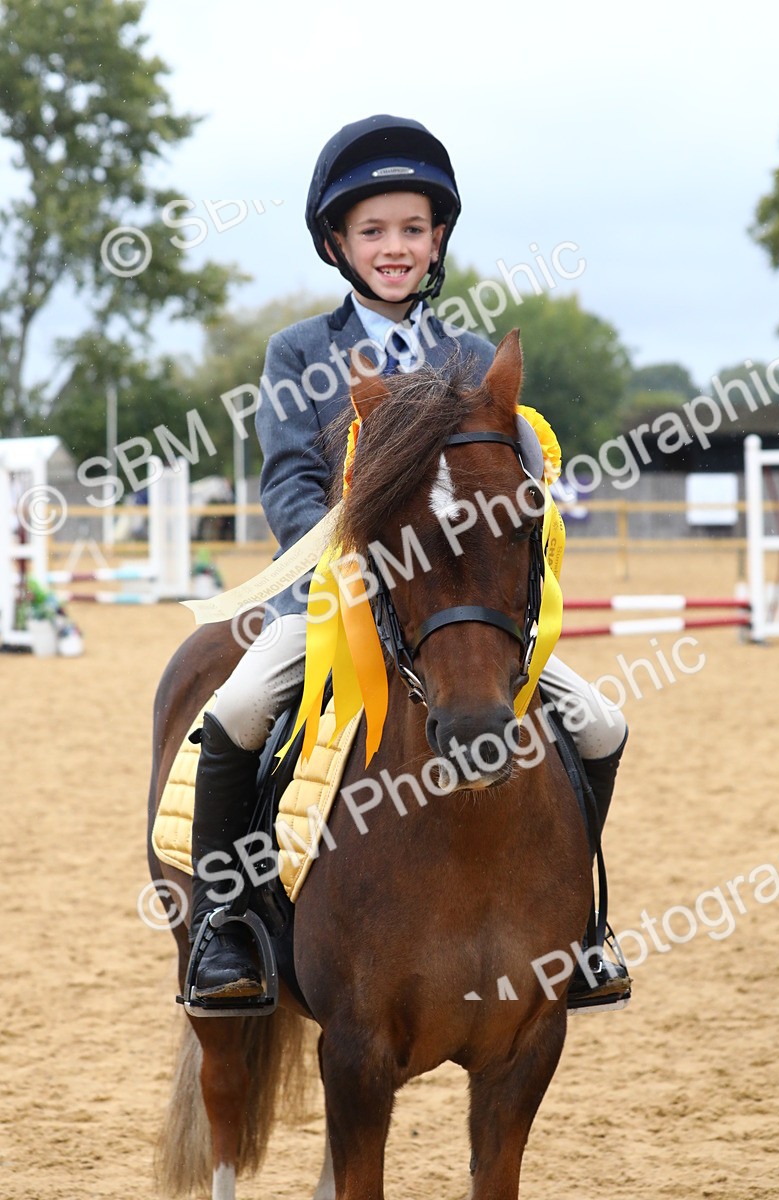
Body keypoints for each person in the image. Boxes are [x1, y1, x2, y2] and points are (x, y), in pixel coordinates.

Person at [188, 114, 631, 1011]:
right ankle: (223, 927)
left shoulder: (470, 357)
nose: (395, 247)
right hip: (331, 599)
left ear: (437, 242)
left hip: (455, 607)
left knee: (601, 725)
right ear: (336, 244)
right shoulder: (298, 355)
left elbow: (507, 482)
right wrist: (351, 580)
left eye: (413, 229)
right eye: (373, 231)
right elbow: (290, 489)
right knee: (235, 709)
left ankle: (581, 926)